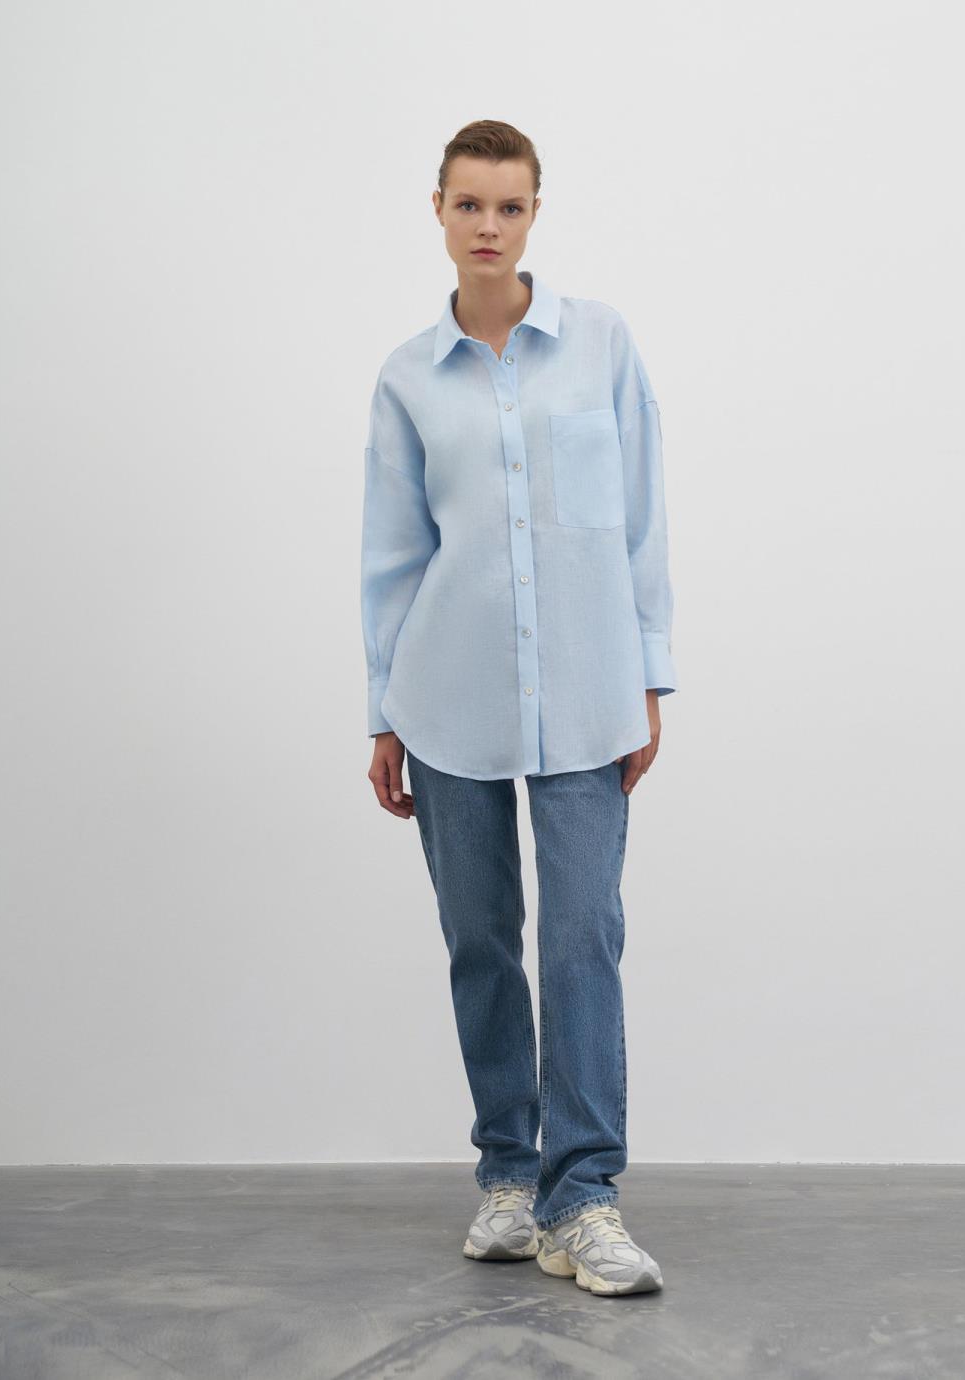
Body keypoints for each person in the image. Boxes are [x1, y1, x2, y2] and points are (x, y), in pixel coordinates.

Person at [359, 119, 678, 1297]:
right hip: (447, 695)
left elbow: (640, 516)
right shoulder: (407, 379)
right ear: (438, 211)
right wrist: (383, 711)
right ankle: (508, 1174)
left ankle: (582, 1197)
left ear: (535, 213)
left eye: (509, 206)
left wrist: (650, 672)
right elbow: (395, 556)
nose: (488, 227)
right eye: (469, 205)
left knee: (584, 935)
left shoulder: (601, 347)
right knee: (481, 938)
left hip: (589, 690)